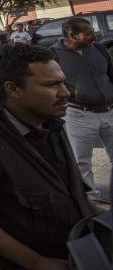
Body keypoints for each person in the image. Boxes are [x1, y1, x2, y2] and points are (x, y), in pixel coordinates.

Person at [0, 44, 94, 270]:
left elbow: (71, 191)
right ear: (13, 89)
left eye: (62, 82)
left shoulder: (49, 119)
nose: (65, 93)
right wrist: (35, 261)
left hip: (78, 255)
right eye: (51, 84)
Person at [50, 16, 113, 199]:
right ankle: (93, 196)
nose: (94, 36)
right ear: (72, 35)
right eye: (88, 33)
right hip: (79, 114)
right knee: (81, 160)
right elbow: (50, 83)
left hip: (108, 111)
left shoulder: (99, 49)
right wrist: (73, 93)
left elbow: (110, 75)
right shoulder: (53, 55)